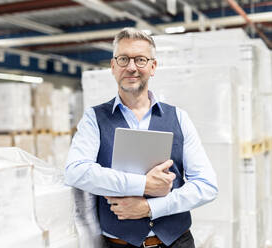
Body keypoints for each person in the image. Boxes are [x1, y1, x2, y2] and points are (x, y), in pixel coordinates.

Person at [65, 27, 218, 248]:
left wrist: (151, 208)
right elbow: (75, 172)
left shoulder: (179, 118)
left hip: (176, 242)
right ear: (113, 66)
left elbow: (206, 186)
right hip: (119, 244)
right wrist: (144, 184)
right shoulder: (94, 118)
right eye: (124, 59)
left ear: (153, 66)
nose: (131, 67)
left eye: (140, 60)